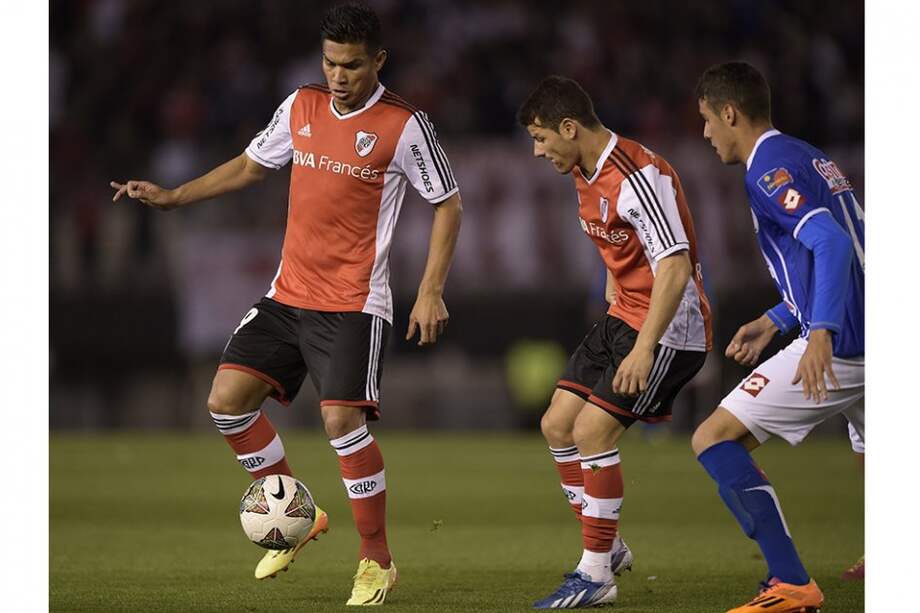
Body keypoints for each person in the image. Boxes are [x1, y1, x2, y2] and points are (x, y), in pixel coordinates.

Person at [110, 2, 462, 606]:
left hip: (354, 303)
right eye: (330, 63)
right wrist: (174, 197)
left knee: (339, 421)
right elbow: (252, 166)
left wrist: (430, 289)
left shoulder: (406, 126)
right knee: (225, 404)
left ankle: (377, 562)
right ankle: (296, 515)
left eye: (352, 65)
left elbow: (447, 203)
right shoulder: (301, 104)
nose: (339, 76)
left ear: (379, 60)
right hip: (287, 294)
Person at [518, 76, 712, 609]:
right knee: (556, 423)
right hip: (622, 314)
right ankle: (609, 545)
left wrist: (644, 347)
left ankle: (596, 573)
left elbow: (673, 267)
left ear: (569, 127)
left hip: (670, 327)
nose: (538, 152)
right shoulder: (584, 170)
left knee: (591, 431)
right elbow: (621, 242)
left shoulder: (637, 175)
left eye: (541, 138)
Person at [691, 61, 864, 613]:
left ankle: (790, 583)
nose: (705, 134)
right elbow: (836, 251)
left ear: (729, 113)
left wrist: (821, 333)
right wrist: (778, 318)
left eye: (706, 121)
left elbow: (833, 245)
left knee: (713, 438)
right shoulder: (806, 153)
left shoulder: (766, 170)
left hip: (851, 341)